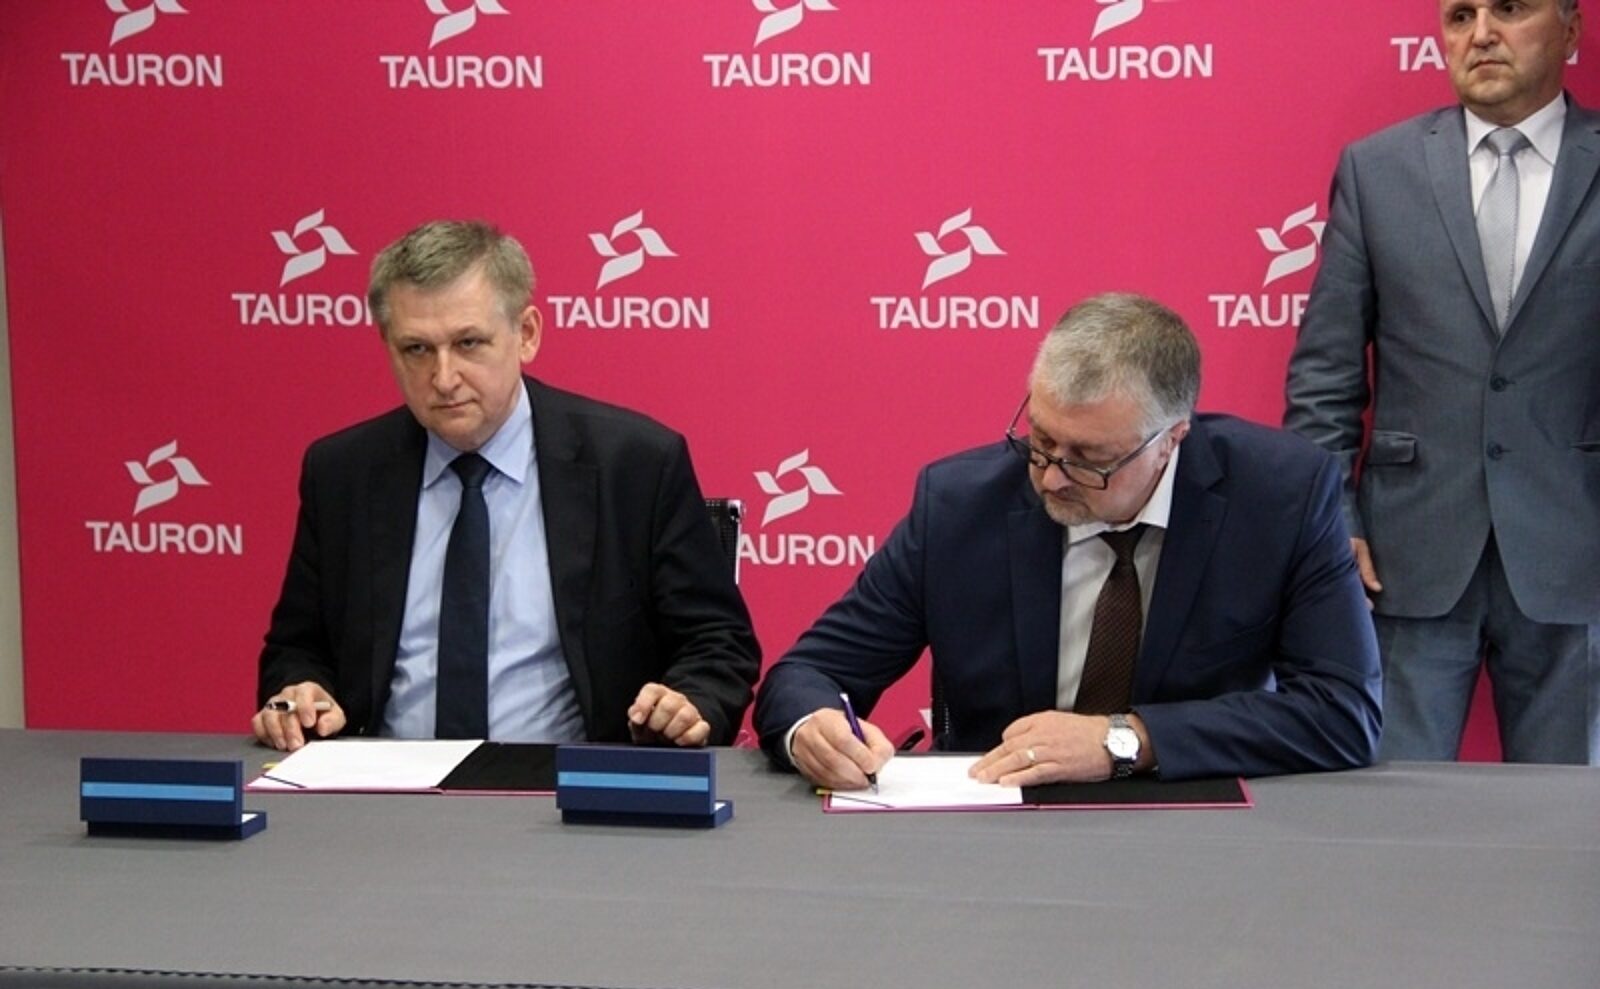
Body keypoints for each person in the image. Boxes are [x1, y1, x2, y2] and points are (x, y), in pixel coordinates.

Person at [756, 293, 1382, 790]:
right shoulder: (958, 506)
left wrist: (1127, 739)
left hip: (1197, 822)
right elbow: (810, 672)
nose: (1051, 478)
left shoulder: (1281, 497)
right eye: (1041, 440)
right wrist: (813, 727)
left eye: (1089, 458)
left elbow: (1342, 711)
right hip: (997, 822)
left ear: (1172, 440)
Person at [254, 220, 759, 751]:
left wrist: (688, 703)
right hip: (385, 784)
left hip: (575, 784)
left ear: (527, 333)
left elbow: (717, 643)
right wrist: (301, 693)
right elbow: (296, 650)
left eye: (468, 343)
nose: (444, 378)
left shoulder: (635, 465)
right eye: (417, 349)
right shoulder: (343, 473)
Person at [1284, 0, 1599, 763]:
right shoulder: (1376, 170)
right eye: (1460, 16)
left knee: (1574, 821)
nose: (1481, 34)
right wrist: (1332, 520)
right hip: (1405, 559)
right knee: (1394, 812)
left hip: (1580, 552)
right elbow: (1325, 375)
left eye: (1510, 9)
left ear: (1571, 29)